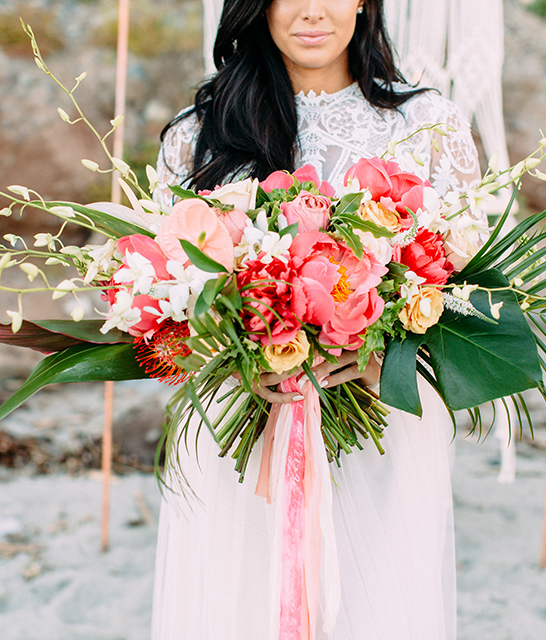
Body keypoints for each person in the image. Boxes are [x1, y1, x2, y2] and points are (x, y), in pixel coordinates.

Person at [152, 0, 481, 638]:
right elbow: (166, 307)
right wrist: (238, 360)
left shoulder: (427, 125)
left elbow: (471, 296)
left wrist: (382, 355)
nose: (311, 11)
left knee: (376, 606)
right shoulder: (197, 136)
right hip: (240, 436)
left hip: (381, 423)